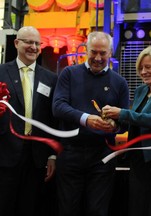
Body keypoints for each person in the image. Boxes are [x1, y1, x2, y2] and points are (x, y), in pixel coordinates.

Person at [52, 31, 130, 216]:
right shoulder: (69, 74)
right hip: (70, 152)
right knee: (68, 209)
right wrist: (86, 119)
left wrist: (115, 126)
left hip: (102, 156)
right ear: (85, 50)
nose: (98, 58)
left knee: (98, 210)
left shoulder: (120, 83)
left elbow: (125, 122)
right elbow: (58, 107)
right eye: (93, 52)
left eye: (103, 53)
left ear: (110, 52)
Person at [102, 45, 151, 216]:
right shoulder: (140, 90)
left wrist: (121, 113)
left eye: (148, 67)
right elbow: (135, 122)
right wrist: (115, 123)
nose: (143, 72)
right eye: (141, 68)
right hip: (139, 160)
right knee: (138, 206)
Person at [0, 26, 58, 216]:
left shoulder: (51, 79)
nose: (33, 47)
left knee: (30, 207)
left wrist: (52, 156)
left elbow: (52, 120)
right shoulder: (1, 73)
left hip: (37, 158)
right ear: (17, 43)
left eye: (37, 43)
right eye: (28, 42)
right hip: (5, 154)